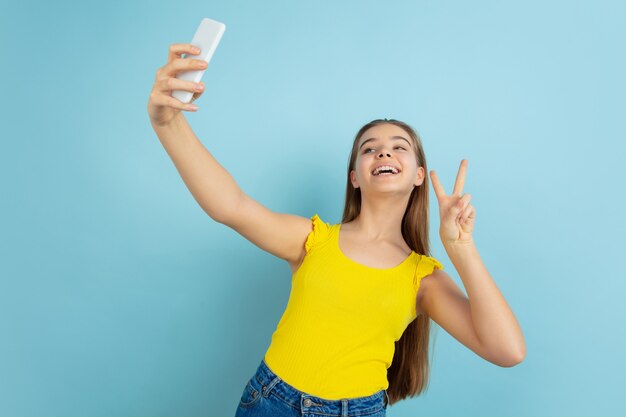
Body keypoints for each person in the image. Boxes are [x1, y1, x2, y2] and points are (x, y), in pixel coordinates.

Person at [147, 43, 526, 417]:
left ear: (418, 177)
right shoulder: (314, 240)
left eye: (399, 147)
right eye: (369, 149)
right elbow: (231, 206)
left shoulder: (423, 279)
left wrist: (461, 248)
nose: (383, 153)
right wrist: (168, 124)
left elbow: (507, 351)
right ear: (355, 178)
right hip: (271, 403)